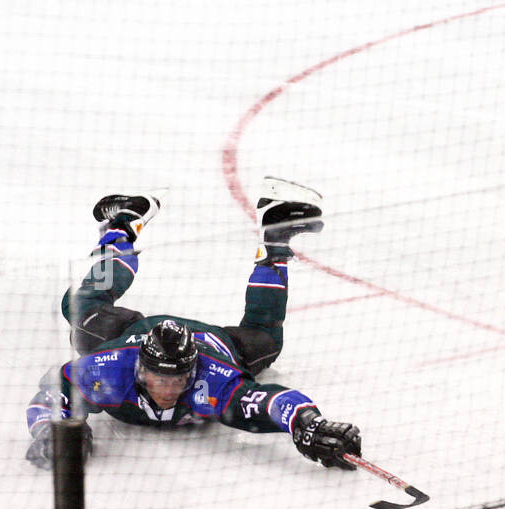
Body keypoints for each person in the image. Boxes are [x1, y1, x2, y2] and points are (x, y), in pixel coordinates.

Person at [25, 178, 361, 471]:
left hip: (219, 345)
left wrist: (309, 423)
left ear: (192, 373)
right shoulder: (107, 371)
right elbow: (53, 389)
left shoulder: (214, 382)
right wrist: (50, 430)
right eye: (160, 378)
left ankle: (276, 241)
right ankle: (124, 224)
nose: (169, 389)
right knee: (80, 305)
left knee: (266, 340)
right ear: (140, 370)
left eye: (178, 379)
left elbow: (270, 401)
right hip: (130, 335)